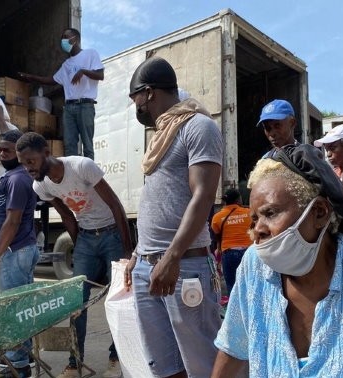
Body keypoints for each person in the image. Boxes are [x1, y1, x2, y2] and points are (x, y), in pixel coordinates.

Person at [212, 144, 343, 377]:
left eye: (270, 213)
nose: (258, 229)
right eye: (254, 219)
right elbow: (233, 347)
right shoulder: (255, 267)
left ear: (319, 212)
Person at [124, 57, 223, 378]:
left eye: (135, 98)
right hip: (147, 267)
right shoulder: (163, 134)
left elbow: (203, 196)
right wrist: (139, 252)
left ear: (148, 92)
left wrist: (171, 257)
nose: (135, 105)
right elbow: (161, 200)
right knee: (163, 364)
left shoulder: (198, 126)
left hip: (183, 266)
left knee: (203, 364)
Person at [15, 132, 131, 378]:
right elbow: (68, 216)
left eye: (31, 161)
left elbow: (115, 205)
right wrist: (80, 246)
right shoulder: (41, 186)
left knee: (118, 299)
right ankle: (75, 361)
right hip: (86, 238)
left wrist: (128, 251)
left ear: (46, 153)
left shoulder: (81, 167)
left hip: (112, 234)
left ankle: (116, 356)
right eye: (23, 164)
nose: (28, 168)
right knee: (76, 302)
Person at [0, 100, 38, 378]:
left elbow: (12, 222)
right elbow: (11, 137)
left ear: (18, 153)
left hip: (14, 251)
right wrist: (1, 120)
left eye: (7, 150)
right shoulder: (14, 175)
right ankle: (20, 361)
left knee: (14, 310)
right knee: (20, 308)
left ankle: (16, 366)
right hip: (17, 250)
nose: (1, 153)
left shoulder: (17, 180)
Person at [18, 28, 104, 160]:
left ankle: (89, 178)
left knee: (87, 145)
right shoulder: (66, 65)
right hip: (69, 108)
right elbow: (52, 80)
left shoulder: (90, 54)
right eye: (62, 38)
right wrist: (32, 77)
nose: (62, 41)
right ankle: (73, 177)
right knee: (69, 145)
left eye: (65, 37)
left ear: (75, 39)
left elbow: (100, 75)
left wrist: (83, 71)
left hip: (85, 105)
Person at [210, 188, 251, 295]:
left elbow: (216, 236)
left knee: (232, 286)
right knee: (250, 284)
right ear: (238, 200)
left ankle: (234, 309)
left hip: (229, 253)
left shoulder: (217, 217)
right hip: (249, 252)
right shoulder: (249, 213)